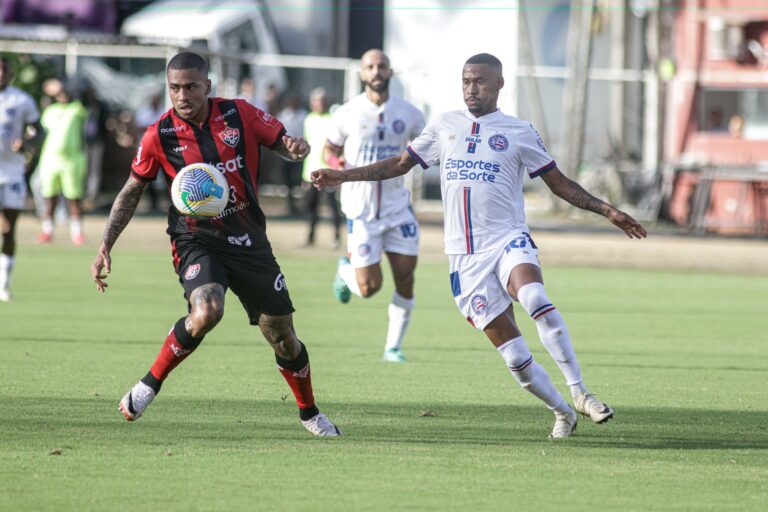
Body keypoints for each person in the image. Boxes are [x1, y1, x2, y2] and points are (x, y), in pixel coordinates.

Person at [313, 53, 647, 438]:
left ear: (500, 85)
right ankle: (562, 411)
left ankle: (580, 392)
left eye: (481, 82)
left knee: (535, 296)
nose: (472, 89)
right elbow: (400, 164)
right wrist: (343, 175)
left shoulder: (519, 131)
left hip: (508, 239)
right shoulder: (444, 125)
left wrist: (607, 210)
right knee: (516, 358)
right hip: (464, 258)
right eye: (467, 81)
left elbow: (559, 183)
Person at [89, 51, 341, 437]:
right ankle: (148, 384)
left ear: (208, 85)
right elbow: (131, 190)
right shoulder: (159, 134)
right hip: (197, 239)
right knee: (207, 310)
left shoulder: (239, 114)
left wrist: (295, 148)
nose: (182, 95)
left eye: (191, 86)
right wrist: (106, 243)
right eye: (174, 87)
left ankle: (310, 414)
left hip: (250, 240)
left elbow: (281, 143)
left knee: (283, 337)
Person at [324, 49, 426, 363]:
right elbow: (329, 148)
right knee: (369, 288)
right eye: (370, 66)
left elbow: (423, 147)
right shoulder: (346, 112)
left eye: (381, 65)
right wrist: (334, 162)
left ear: (390, 71)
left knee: (406, 277)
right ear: (362, 73)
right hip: (361, 211)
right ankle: (346, 269)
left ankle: (393, 348)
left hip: (398, 208)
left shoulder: (410, 113)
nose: (376, 71)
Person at [0, 57, 46, 302]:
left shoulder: (21, 100)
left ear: (9, 74)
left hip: (12, 172)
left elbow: (40, 131)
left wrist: (26, 143)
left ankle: (4, 285)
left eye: (3, 71)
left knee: (8, 229)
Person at [37, 83, 88, 245]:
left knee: (73, 198)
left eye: (66, 92)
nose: (63, 94)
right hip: (50, 159)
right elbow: (39, 132)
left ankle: (77, 233)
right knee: (49, 197)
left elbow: (87, 100)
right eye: (60, 92)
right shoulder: (50, 110)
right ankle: (47, 231)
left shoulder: (77, 108)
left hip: (72, 160)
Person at [302, 87, 341, 247]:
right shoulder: (308, 119)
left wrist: (337, 166)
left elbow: (337, 147)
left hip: (328, 172)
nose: (318, 104)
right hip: (310, 172)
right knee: (311, 206)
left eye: (321, 101)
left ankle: (336, 237)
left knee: (333, 206)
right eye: (315, 101)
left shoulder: (333, 119)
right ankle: (310, 237)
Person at [134, 92, 168, 213]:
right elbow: (138, 127)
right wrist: (152, 129)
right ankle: (152, 204)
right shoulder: (143, 112)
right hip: (147, 150)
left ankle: (165, 202)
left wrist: (150, 128)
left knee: (164, 176)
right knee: (148, 176)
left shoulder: (163, 111)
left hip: (162, 149)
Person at [277, 93, 307, 215]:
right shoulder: (283, 116)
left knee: (298, 181)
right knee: (287, 182)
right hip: (285, 155)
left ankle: (301, 205)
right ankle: (290, 206)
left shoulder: (304, 115)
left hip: (300, 155)